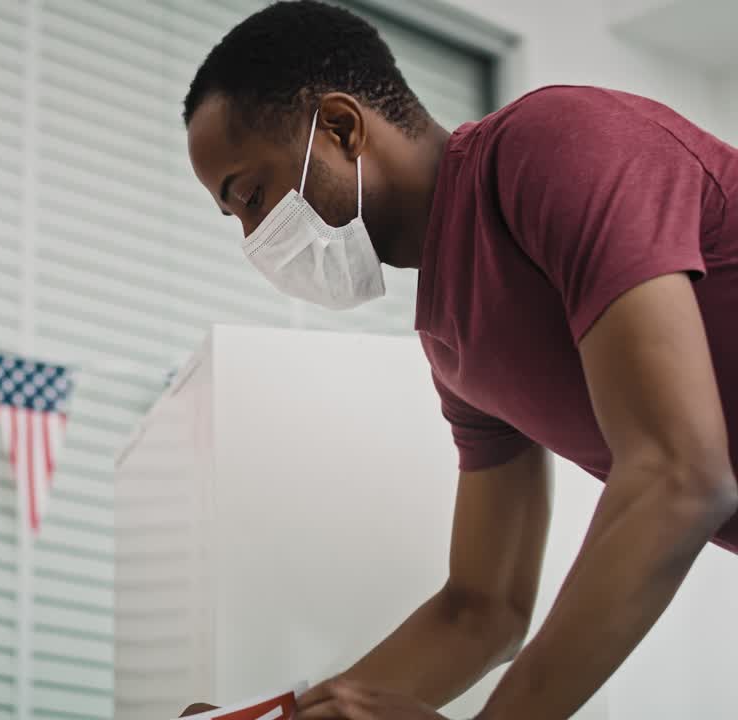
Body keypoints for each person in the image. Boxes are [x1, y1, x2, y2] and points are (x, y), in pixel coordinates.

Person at [178, 1, 738, 719]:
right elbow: (483, 609)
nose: (256, 239)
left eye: (252, 197)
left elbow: (681, 477)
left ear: (344, 128)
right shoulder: (452, 344)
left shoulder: (553, 146)